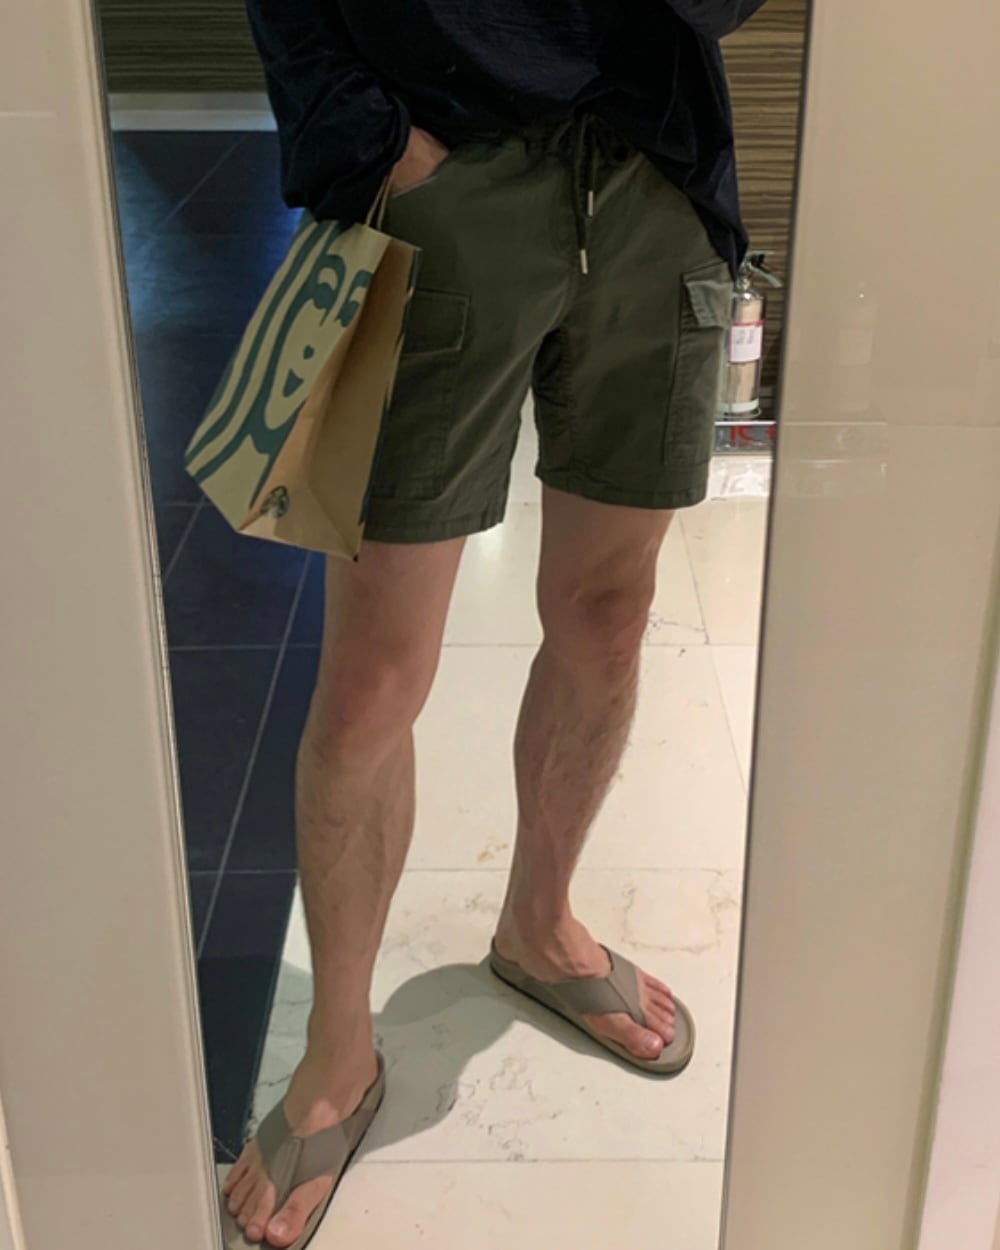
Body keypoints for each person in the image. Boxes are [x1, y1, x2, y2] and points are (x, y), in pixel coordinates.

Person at [222, 1, 766, 1246]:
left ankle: (538, 920)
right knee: (372, 679)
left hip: (654, 171)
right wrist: (373, 143)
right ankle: (338, 1041)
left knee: (608, 613)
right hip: (446, 172)